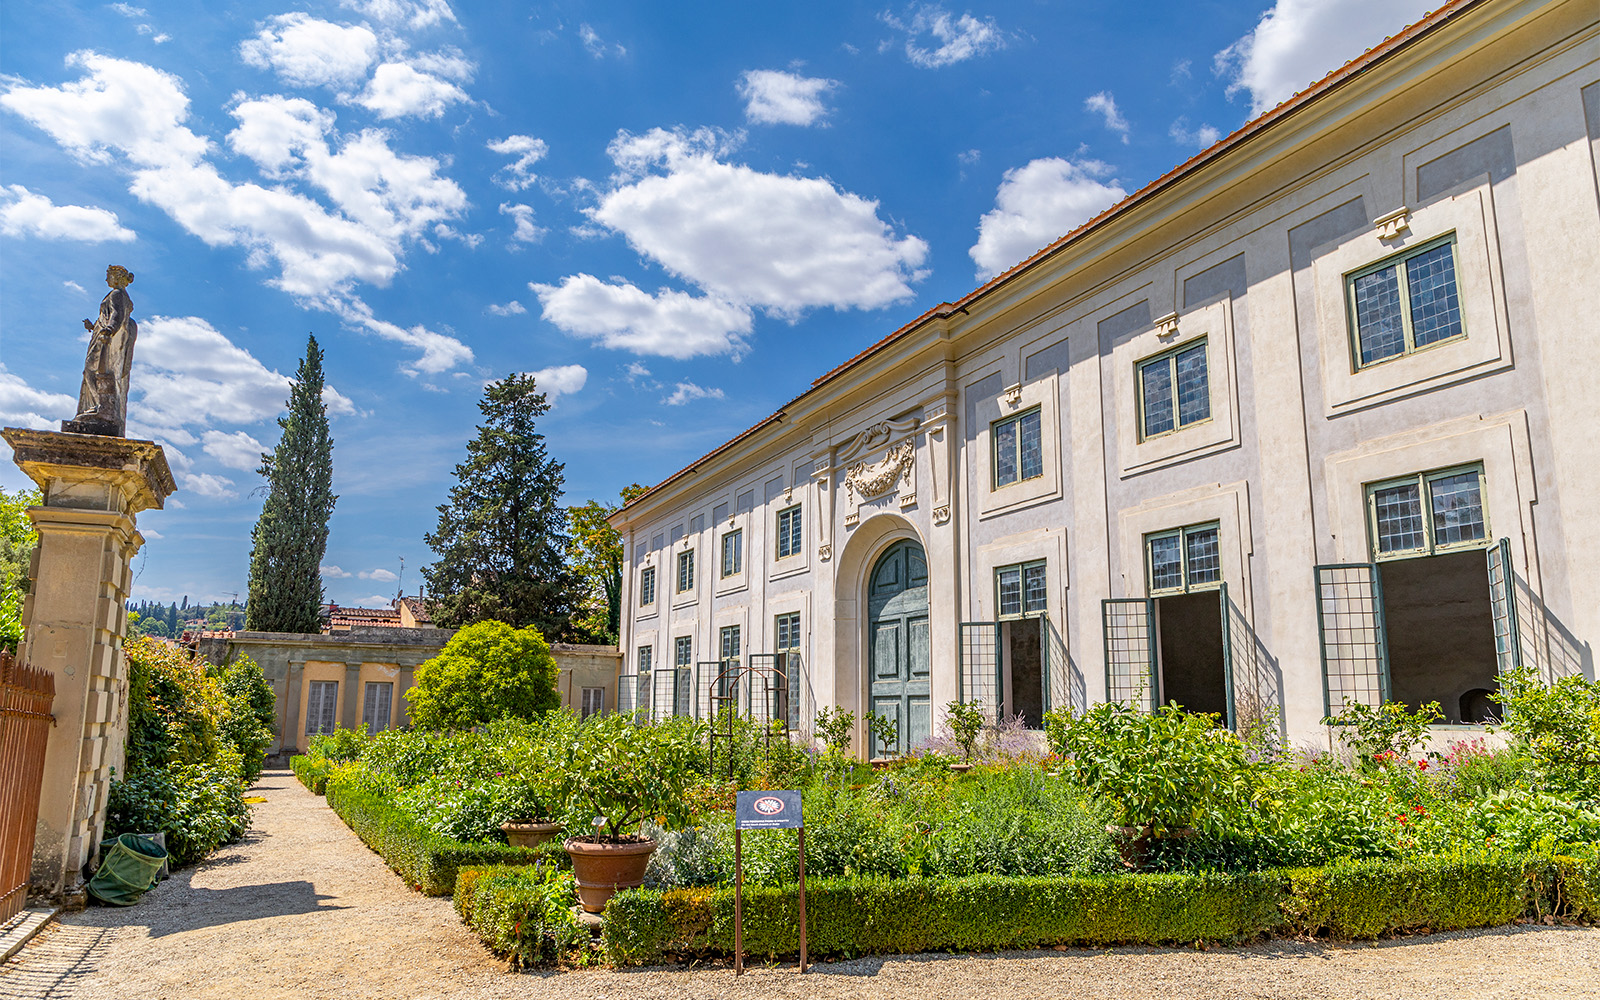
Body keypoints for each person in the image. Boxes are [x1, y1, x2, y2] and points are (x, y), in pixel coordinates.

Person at [64, 264, 137, 436]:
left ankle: (103, 407)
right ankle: (101, 406)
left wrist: (109, 329)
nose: (106, 279)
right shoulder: (118, 295)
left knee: (92, 369)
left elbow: (116, 315)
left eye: (108, 276)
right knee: (95, 370)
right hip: (103, 334)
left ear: (117, 277)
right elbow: (109, 316)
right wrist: (94, 326)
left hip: (107, 338)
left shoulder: (118, 294)